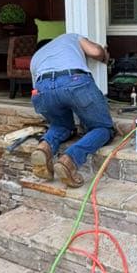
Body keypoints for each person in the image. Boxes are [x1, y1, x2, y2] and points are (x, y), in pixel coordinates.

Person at [29, 33, 114, 187]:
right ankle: (69, 160)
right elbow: (95, 52)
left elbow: (37, 87)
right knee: (103, 128)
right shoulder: (71, 37)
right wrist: (104, 55)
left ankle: (44, 148)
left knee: (61, 126)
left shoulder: (36, 57)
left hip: (42, 88)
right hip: (74, 80)